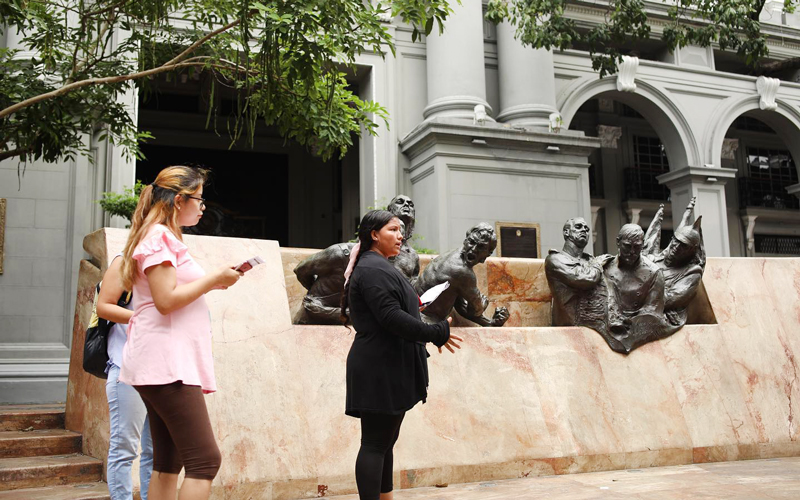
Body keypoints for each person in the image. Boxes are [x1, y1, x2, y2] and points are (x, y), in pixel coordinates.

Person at [118, 166, 244, 500]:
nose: (203, 207)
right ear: (178, 200)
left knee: (168, 461)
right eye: (199, 199)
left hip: (164, 361)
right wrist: (214, 280)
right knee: (204, 461)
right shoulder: (159, 237)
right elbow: (165, 301)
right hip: (166, 363)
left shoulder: (163, 236)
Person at [341, 210, 463, 500]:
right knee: (374, 443)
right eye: (394, 230)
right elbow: (390, 317)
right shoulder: (372, 269)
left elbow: (391, 311)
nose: (400, 236)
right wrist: (436, 333)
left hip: (387, 364)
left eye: (401, 231)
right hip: (379, 366)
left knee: (385, 441)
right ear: (374, 234)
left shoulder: (379, 267)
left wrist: (415, 310)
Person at [96, 256, 153, 500]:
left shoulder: (171, 260)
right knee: (124, 449)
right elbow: (104, 306)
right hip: (127, 368)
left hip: (163, 371)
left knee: (157, 452)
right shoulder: (125, 261)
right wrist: (145, 319)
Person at [414, 222, 509, 327]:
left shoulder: (452, 255)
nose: (473, 249)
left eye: (481, 247)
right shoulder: (463, 272)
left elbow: (460, 305)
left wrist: (490, 323)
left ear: (488, 253)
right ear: (465, 241)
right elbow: (476, 310)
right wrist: (482, 303)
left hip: (413, 312)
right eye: (472, 242)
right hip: (424, 322)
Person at [386, 195, 420, 283]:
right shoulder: (376, 242)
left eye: (410, 204)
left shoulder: (413, 255)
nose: (406, 205)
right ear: (390, 209)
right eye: (400, 202)